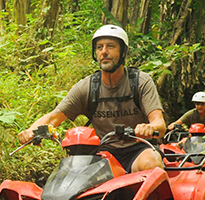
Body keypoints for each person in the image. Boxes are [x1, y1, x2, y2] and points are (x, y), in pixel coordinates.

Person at [18, 24, 166, 173]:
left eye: (111, 46)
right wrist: (31, 131)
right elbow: (53, 118)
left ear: (123, 52)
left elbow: (159, 123)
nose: (104, 52)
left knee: (151, 164)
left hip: (139, 148)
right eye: (99, 47)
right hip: (104, 152)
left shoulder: (140, 81)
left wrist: (149, 128)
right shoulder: (87, 87)